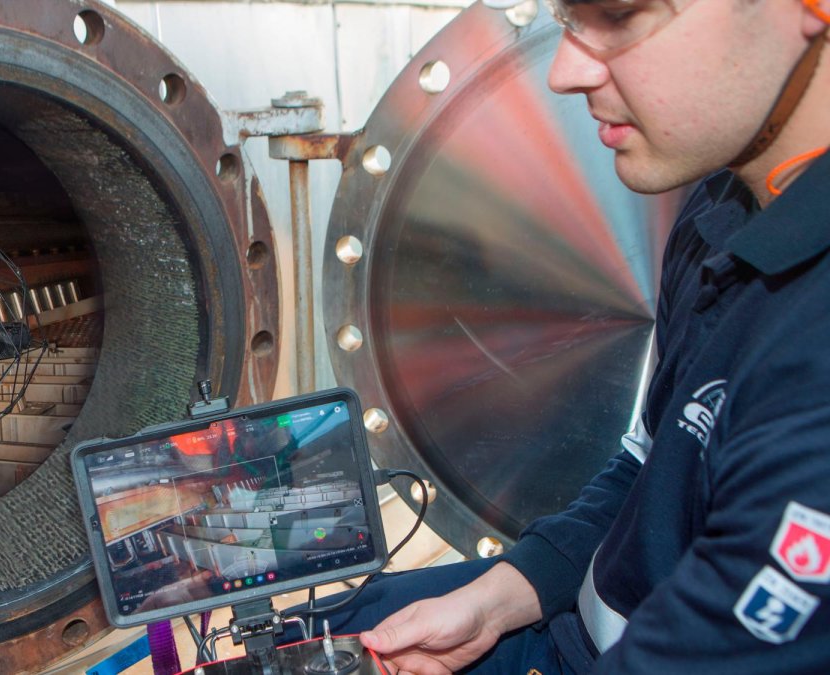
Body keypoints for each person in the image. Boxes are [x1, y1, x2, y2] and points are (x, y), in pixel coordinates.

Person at [316, 0, 830, 672]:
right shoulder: (720, 206)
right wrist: (503, 596)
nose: (562, 71)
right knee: (333, 630)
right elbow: (652, 464)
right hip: (572, 628)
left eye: (619, 15)